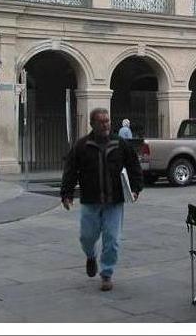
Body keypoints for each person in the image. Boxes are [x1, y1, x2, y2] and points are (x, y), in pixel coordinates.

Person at [61, 108, 143, 292]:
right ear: (92, 124)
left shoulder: (120, 144)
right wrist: (66, 193)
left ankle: (107, 273)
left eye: (107, 121)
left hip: (114, 201)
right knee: (86, 237)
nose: (106, 124)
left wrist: (136, 188)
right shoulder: (82, 146)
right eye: (102, 122)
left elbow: (133, 165)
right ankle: (91, 256)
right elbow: (71, 170)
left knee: (112, 240)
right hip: (90, 200)